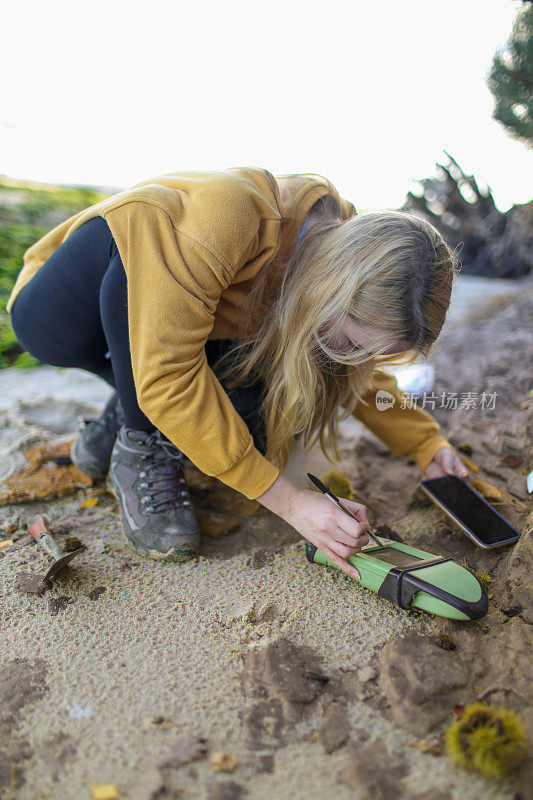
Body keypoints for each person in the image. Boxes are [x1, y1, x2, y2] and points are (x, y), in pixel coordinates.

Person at [7, 167, 468, 578]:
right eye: (348, 343)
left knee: (257, 423)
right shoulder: (236, 213)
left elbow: (358, 374)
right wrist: (290, 502)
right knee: (141, 249)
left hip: (166, 334)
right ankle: (140, 444)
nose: (350, 358)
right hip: (64, 313)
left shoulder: (349, 261)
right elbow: (169, 377)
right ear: (332, 289)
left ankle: (114, 424)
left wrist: (427, 444)